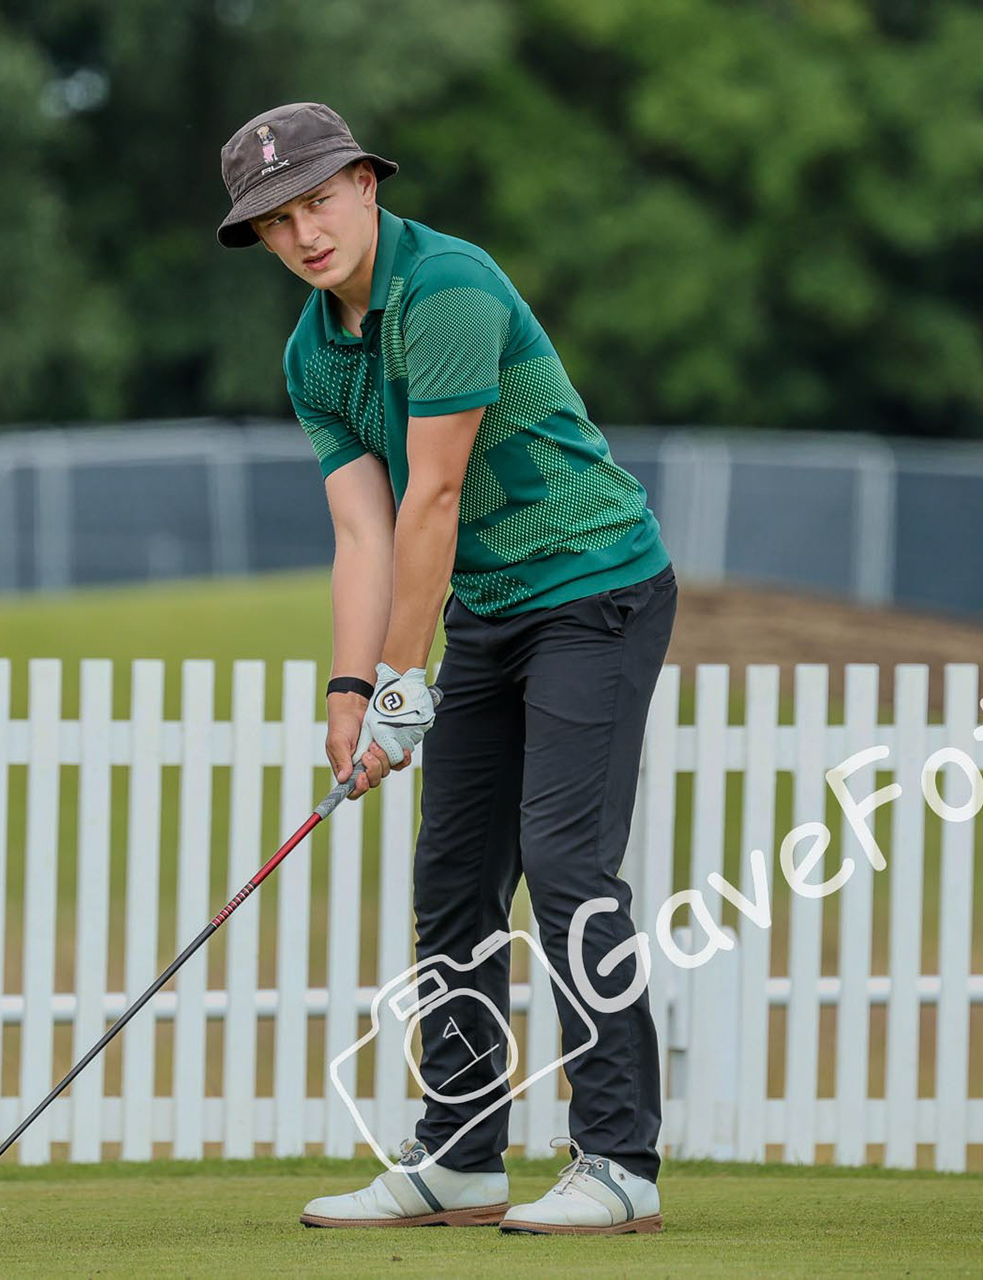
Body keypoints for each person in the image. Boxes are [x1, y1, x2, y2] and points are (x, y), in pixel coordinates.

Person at [217, 102, 676, 1236]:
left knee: (567, 863)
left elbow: (431, 497)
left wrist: (401, 684)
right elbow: (365, 536)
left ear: (367, 184)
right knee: (453, 879)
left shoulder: (450, 289)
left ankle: (620, 1160)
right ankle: (461, 1155)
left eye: (319, 200)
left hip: (595, 584)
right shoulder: (312, 354)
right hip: (490, 608)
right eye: (277, 222)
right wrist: (347, 689)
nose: (305, 235)